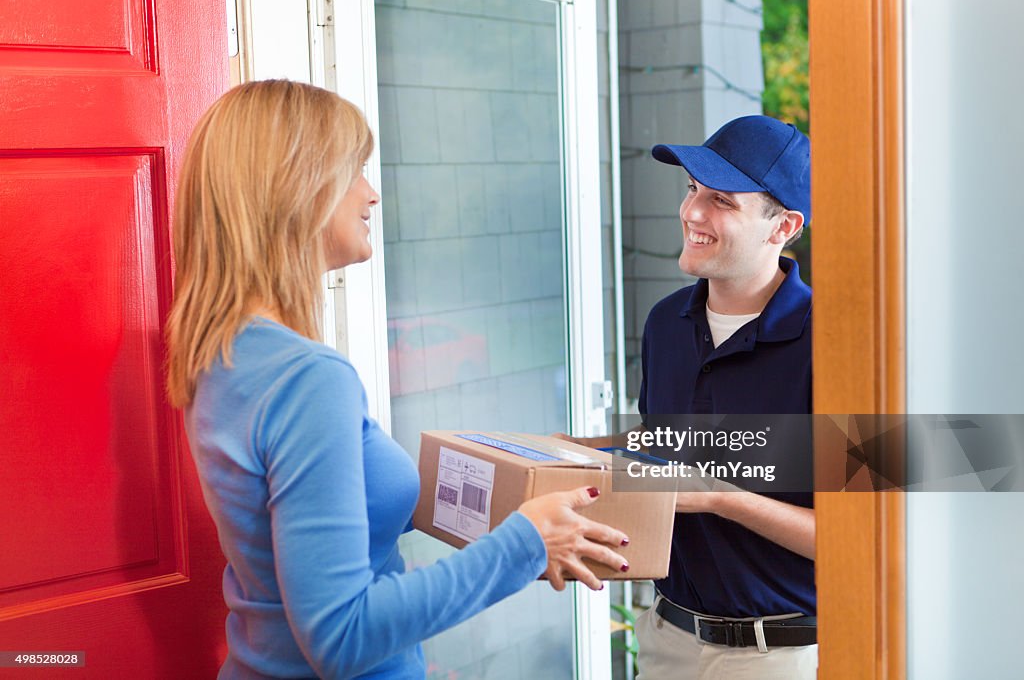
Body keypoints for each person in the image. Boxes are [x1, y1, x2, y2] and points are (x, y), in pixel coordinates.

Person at [165, 80, 630, 680]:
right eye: (353, 169)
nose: (372, 193)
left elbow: (291, 534)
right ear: (295, 187)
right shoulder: (308, 379)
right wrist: (527, 543)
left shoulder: (224, 353)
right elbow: (341, 636)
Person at [559, 115, 816, 678]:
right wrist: (579, 451)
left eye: (721, 199)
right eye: (692, 189)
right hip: (666, 636)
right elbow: (671, 446)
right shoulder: (666, 323)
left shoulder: (832, 345)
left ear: (783, 227)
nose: (692, 212)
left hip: (780, 654)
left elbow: (854, 537)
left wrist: (719, 497)